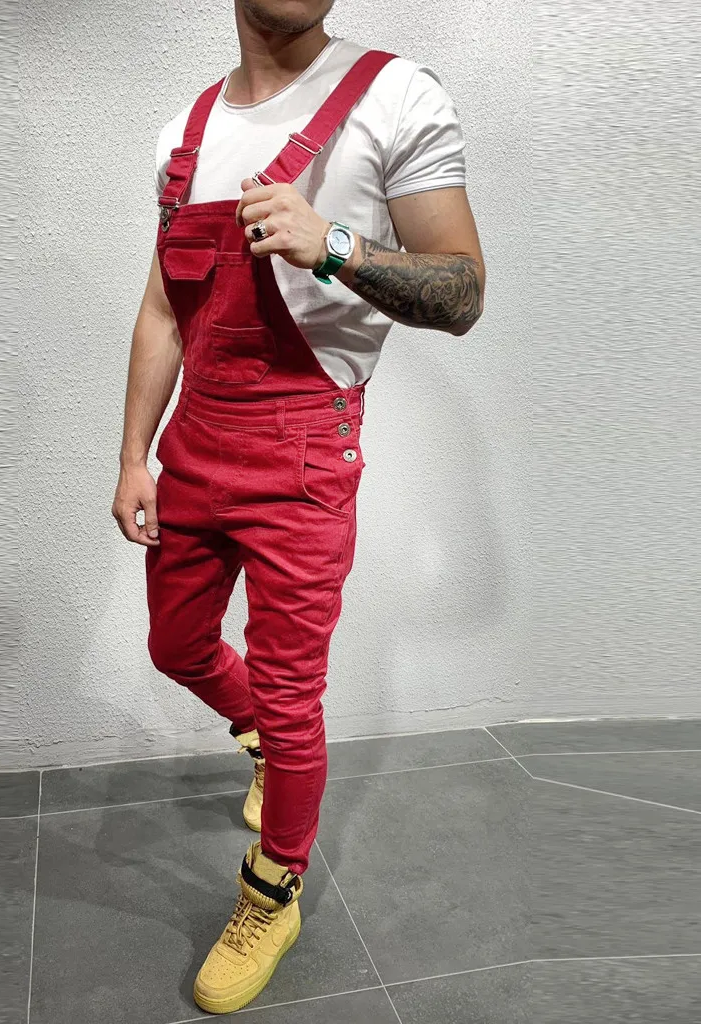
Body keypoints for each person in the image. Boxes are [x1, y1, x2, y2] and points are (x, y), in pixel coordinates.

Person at [113, 0, 485, 1014]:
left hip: (304, 451)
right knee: (175, 646)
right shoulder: (186, 132)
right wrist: (134, 454)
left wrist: (336, 245)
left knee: (290, 695)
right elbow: (163, 309)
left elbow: (463, 293)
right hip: (194, 444)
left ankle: (270, 893)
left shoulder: (396, 96)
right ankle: (259, 747)